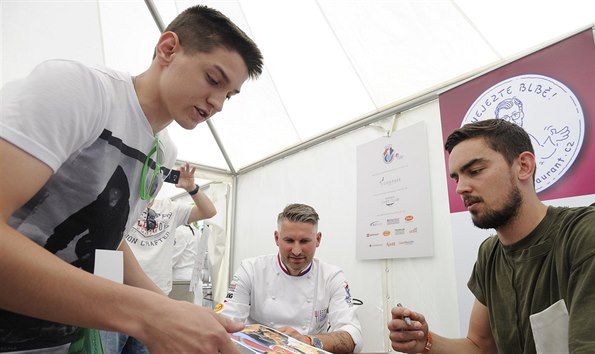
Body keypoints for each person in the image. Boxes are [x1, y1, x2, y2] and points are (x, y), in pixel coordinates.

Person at [0, 4, 263, 353]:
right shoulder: (81, 91)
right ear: (167, 48)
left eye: (229, 94)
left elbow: (109, 240)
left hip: (56, 339)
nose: (217, 104)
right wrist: (146, 314)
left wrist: (171, 308)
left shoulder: (163, 154)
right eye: (213, 80)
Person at [388, 119, 595, 353]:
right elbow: (480, 346)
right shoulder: (490, 253)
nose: (461, 188)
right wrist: (425, 341)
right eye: (457, 178)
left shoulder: (594, 234)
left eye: (475, 170)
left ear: (524, 166)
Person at [100, 162, 217, 354]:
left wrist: (192, 188)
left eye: (159, 173)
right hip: (117, 297)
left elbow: (209, 211)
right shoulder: (119, 201)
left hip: (155, 299)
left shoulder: (171, 208)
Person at [216, 203, 363, 354]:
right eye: (289, 241)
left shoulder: (332, 277)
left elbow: (353, 335)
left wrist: (306, 341)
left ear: (318, 239)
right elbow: (227, 322)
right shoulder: (251, 270)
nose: (297, 251)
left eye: (305, 241)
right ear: (276, 238)